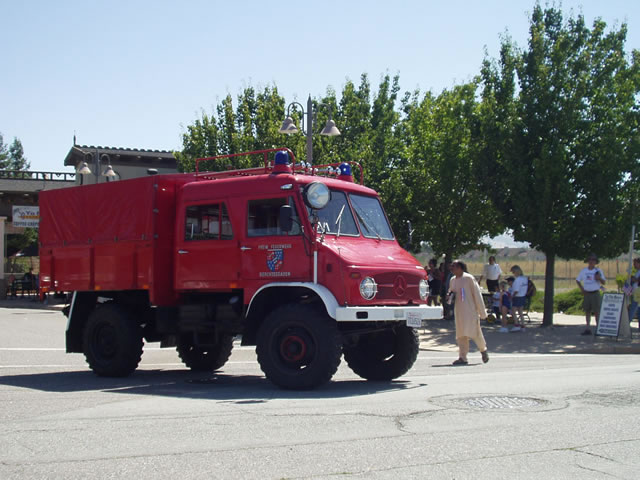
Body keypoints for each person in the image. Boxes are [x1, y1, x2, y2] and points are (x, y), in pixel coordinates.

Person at [447, 260, 489, 365]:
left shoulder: (469, 278)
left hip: (470, 311)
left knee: (475, 332)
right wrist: (449, 297)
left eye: (454, 266)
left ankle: (483, 350)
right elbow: (451, 293)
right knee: (461, 335)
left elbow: (477, 295)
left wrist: (482, 312)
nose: (452, 268)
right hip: (459, 311)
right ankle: (463, 357)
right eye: (451, 266)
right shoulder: (453, 280)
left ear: (460, 268)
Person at [576, 254, 606, 336]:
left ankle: (598, 329)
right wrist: (582, 289)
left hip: (595, 293)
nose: (591, 261)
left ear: (596, 262)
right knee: (587, 311)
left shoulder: (598, 271)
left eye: (593, 260)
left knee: (597, 311)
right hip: (587, 293)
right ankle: (588, 328)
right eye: (590, 259)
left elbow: (604, 282)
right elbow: (578, 280)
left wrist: (599, 278)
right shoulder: (584, 271)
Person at [509, 265, 528, 332]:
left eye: (513, 272)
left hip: (517, 297)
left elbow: (516, 290)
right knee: (520, 312)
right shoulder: (524, 279)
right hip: (523, 296)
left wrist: (512, 296)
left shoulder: (517, 280)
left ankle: (516, 325)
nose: (513, 274)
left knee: (513, 311)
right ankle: (523, 325)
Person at [628, 258, 640, 325]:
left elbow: (637, 280)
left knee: (633, 309)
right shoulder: (637, 272)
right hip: (635, 293)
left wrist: (633, 278)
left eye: (635, 263)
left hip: (638, 294)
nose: (634, 265)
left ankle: (627, 323)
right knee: (634, 309)